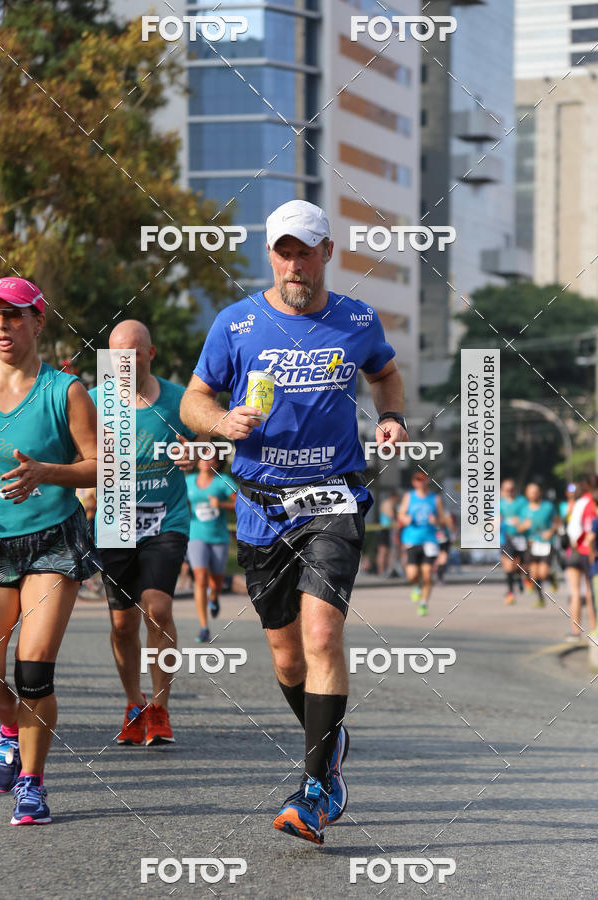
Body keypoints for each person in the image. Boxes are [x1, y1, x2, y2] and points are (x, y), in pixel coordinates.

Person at [180, 199, 408, 845]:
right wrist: (220, 422)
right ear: (270, 256)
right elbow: (197, 397)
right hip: (260, 504)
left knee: (321, 632)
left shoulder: (358, 319)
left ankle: (313, 790)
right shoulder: (236, 323)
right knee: (285, 660)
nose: (294, 264)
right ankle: (328, 742)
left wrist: (391, 418)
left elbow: (386, 374)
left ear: (327, 253)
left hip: (333, 496)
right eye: (283, 251)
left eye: (305, 250)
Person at [0, 277, 99, 824]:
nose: (2, 325)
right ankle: (7, 731)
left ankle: (32, 784)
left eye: (14, 315)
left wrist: (47, 472)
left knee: (32, 672)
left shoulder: (66, 391)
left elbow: (102, 464)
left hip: (50, 543)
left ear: (38, 320)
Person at [90, 321, 195, 747]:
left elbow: (207, 443)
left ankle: (160, 708)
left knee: (158, 609)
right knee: (121, 623)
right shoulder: (95, 402)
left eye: (133, 353)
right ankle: (134, 703)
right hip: (114, 521)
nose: (125, 362)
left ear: (150, 354)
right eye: (117, 355)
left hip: (165, 519)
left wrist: (197, 452)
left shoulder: (179, 401)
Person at [185, 457, 237, 642]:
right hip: (195, 535)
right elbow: (180, 503)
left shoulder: (223, 481)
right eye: (203, 458)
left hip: (219, 537)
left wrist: (221, 504)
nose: (206, 462)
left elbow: (240, 504)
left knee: (216, 581)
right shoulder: (188, 481)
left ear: (216, 464)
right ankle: (204, 627)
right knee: (200, 578)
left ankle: (214, 597)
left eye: (211, 459)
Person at [397, 472, 446, 616]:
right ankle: (416, 586)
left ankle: (423, 603)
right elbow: (400, 514)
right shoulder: (409, 496)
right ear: (414, 482)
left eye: (423, 480)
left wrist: (436, 521)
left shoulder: (435, 499)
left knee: (427, 574)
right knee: (412, 574)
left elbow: (443, 519)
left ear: (427, 481)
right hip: (412, 539)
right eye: (418, 480)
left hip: (430, 540)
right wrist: (404, 518)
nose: (420, 483)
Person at [564, 475, 597, 639]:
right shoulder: (593, 503)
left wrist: (577, 545)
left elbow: (573, 529)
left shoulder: (581, 502)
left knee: (575, 592)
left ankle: (575, 631)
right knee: (592, 593)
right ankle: (594, 630)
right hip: (592, 553)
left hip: (577, 551)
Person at [517, 483, 558, 608]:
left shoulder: (548, 507)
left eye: (536, 491)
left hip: (546, 544)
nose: (533, 494)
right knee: (534, 574)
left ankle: (551, 577)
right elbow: (519, 528)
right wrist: (523, 527)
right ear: (527, 494)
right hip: (532, 544)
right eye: (531, 492)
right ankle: (540, 599)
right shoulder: (524, 510)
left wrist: (551, 531)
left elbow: (557, 522)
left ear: (540, 493)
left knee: (543, 573)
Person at [499, 479, 527, 605]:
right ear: (502, 491)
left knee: (521, 566)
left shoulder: (522, 501)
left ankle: (520, 578)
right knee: (509, 566)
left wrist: (520, 521)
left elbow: (528, 515)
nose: (509, 492)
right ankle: (510, 592)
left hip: (521, 536)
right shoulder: (499, 503)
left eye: (511, 489)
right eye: (506, 489)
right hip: (506, 537)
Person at [375, 491, 401, 576]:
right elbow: (391, 515)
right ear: (394, 497)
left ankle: (389, 570)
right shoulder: (387, 504)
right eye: (397, 498)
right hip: (385, 529)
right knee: (383, 551)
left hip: (390, 529)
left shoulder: (392, 504)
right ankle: (381, 572)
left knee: (391, 551)